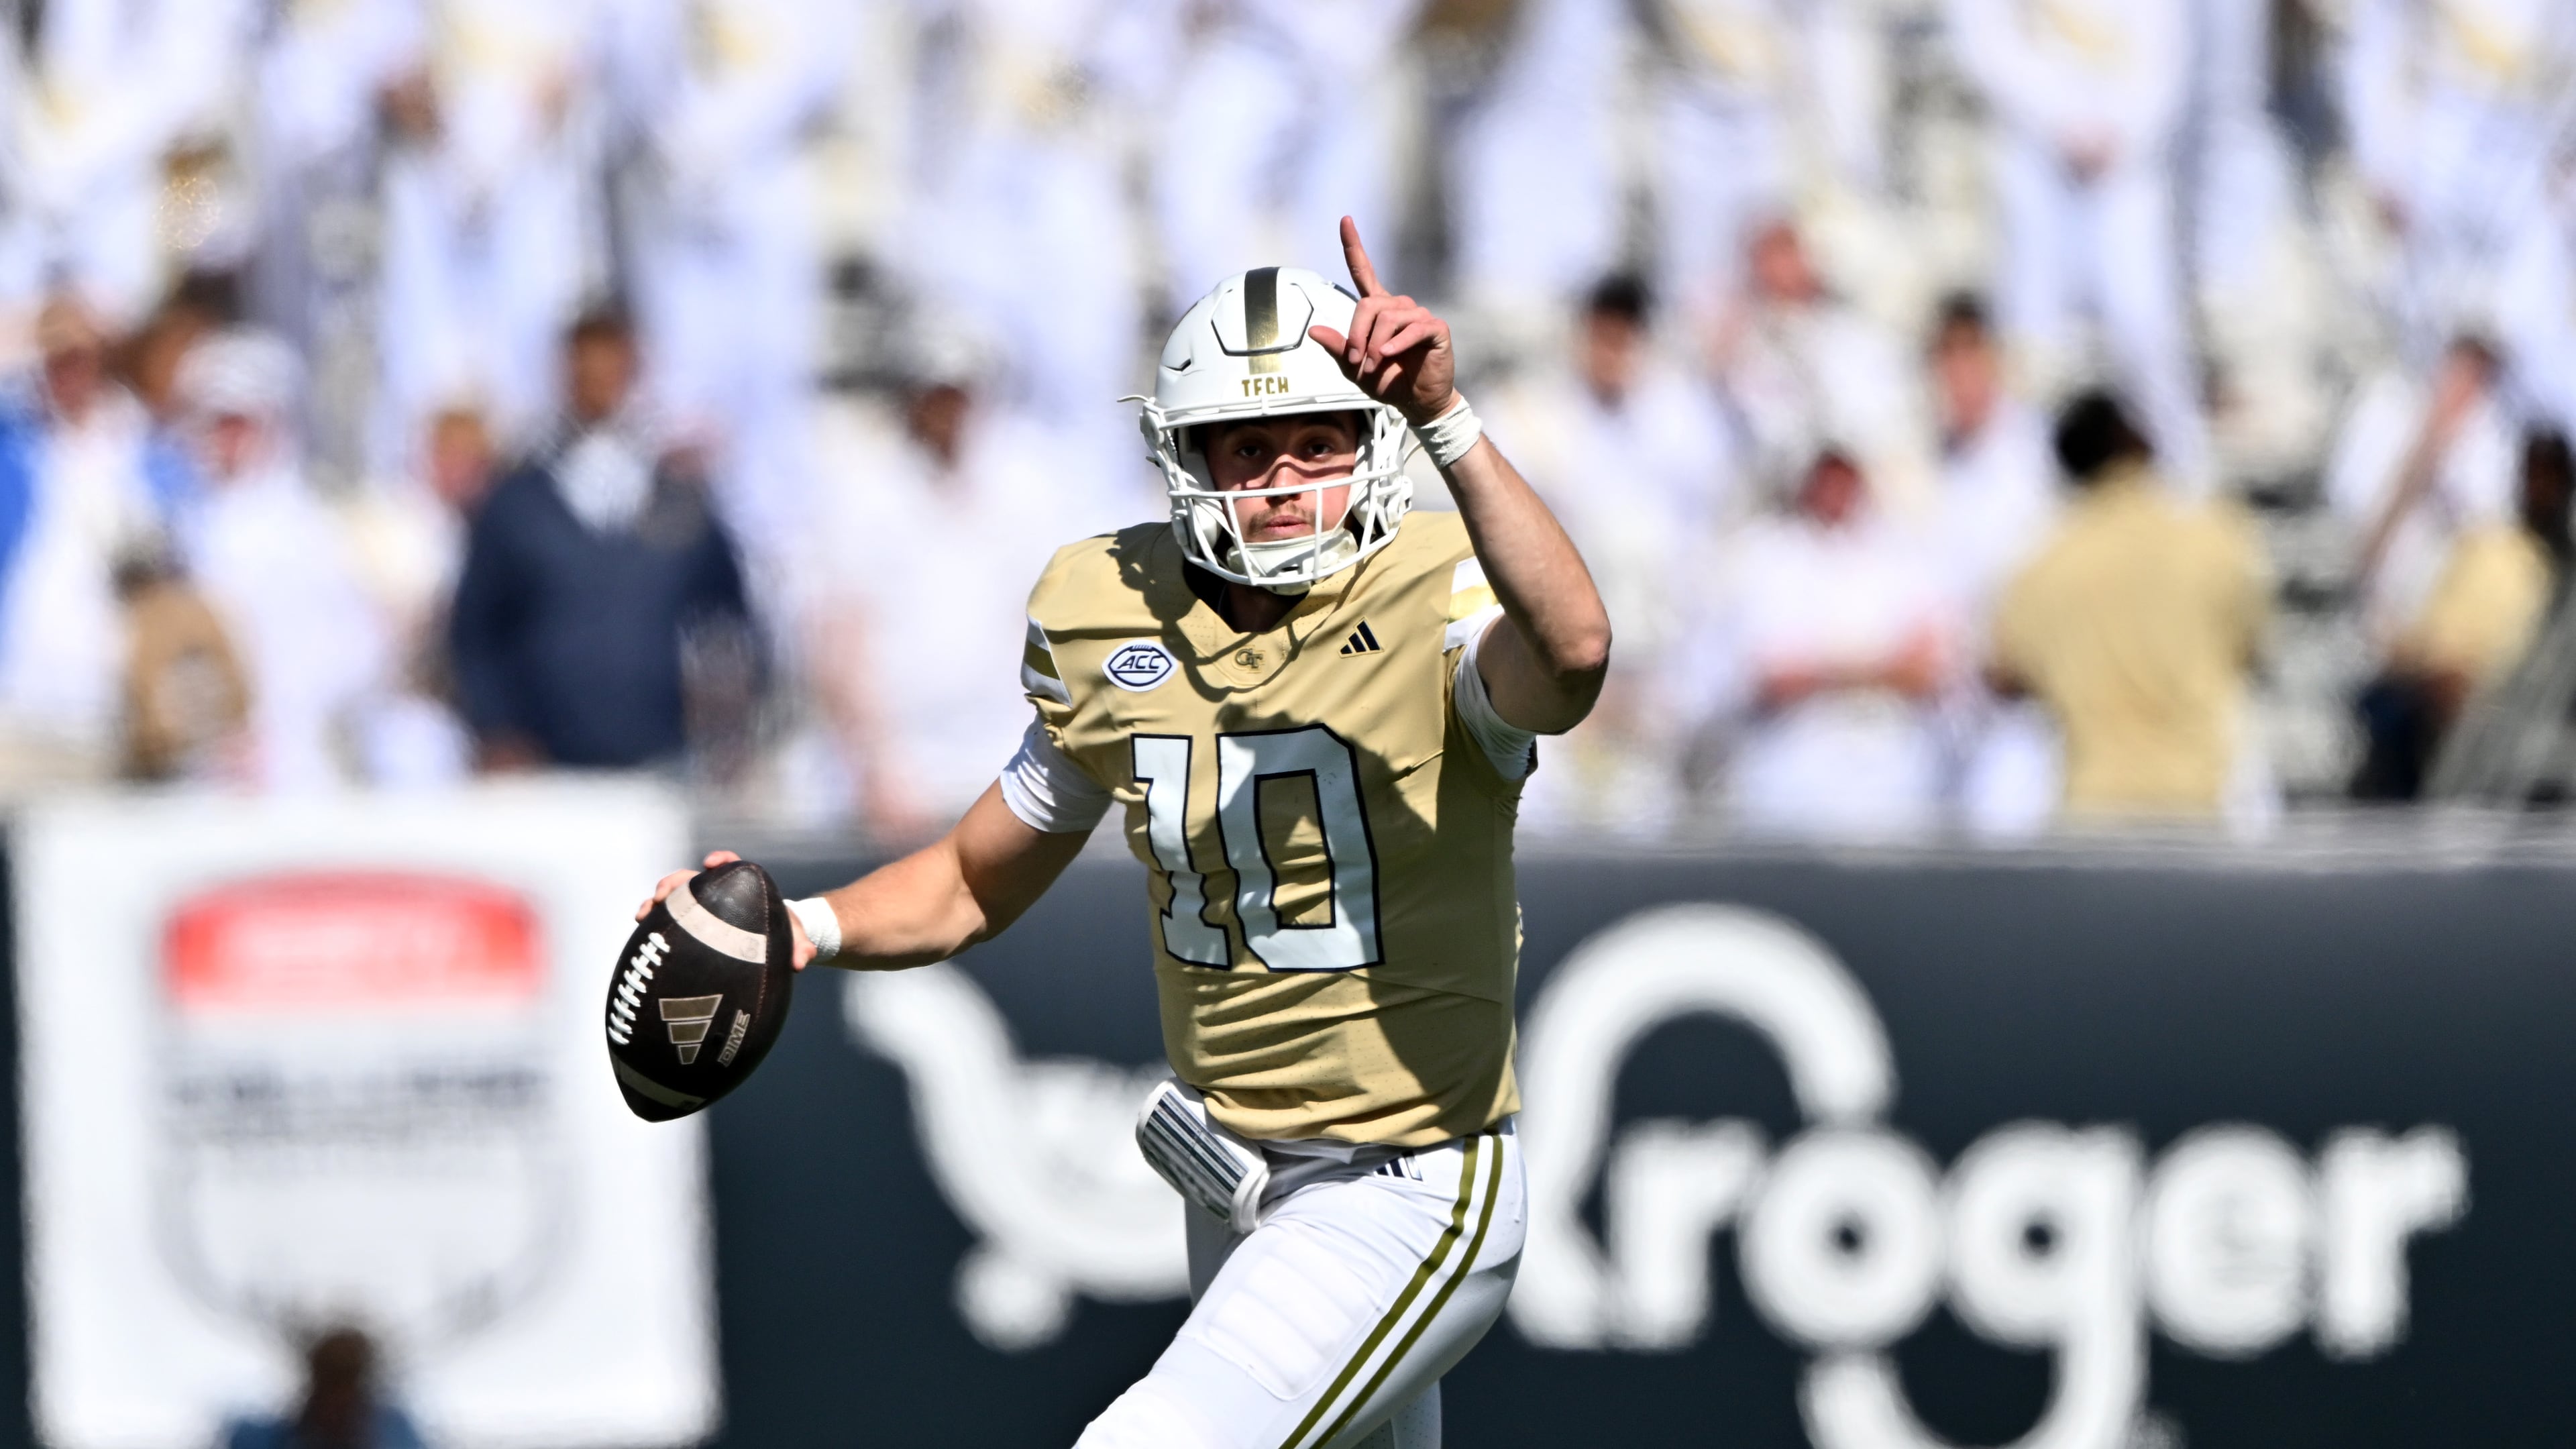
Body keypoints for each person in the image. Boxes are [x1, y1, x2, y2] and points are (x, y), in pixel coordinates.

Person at [641, 223, 1610, 1448]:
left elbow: (1573, 651)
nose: (1285, 479)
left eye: (1320, 441)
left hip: (1407, 1180)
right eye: (1248, 448)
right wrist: (802, 927)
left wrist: (1449, 416)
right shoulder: (1112, 615)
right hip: (1235, 1179)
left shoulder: (1439, 593)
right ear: (1186, 460)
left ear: (1375, 447)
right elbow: (965, 880)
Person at [449, 309, 755, 774]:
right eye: (585, 371)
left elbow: (729, 622)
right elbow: (474, 633)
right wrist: (498, 728)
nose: (599, 385)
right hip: (548, 769)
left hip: (662, 761)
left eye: (611, 370)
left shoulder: (678, 504)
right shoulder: (518, 506)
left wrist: (725, 729)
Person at [1485, 273, 1739, 830]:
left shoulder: (1685, 422)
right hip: (1554, 681)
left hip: (1653, 686)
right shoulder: (1530, 416)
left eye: (1625, 331)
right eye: (1603, 329)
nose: (1612, 347)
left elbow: (1703, 569)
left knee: (1647, 816)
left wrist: (1671, 695)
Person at [1946, 0, 2210, 488]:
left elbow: (2167, 49)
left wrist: (2124, 125)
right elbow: (1981, 40)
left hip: (2125, 166)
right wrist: (2057, 116)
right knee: (2034, 340)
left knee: (2146, 329)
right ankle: (2028, 494)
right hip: (2034, 159)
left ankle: (2184, 484)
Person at [1993, 392, 2270, 820]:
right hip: (2195, 803)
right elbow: (2251, 649)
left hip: (2094, 810)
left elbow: (2005, 674)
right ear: (2141, 445)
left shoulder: (2043, 566)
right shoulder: (2215, 540)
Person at [1677, 443, 1959, 839]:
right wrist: (1879, 664)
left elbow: (1928, 669)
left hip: (1890, 786)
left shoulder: (1899, 555)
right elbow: (1775, 678)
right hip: (1793, 784)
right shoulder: (1767, 556)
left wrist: (1827, 666)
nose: (1837, 491)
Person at [175, 329, 391, 791]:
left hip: (298, 757)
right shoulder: (184, 527)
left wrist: (289, 712)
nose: (228, 438)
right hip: (204, 761)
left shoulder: (315, 529)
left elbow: (360, 649)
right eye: (218, 422)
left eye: (241, 423)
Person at [221, 1326, 428, 1449]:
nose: (338, 1397)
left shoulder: (398, 1435)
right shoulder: (262, 1438)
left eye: (346, 1381)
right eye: (331, 1380)